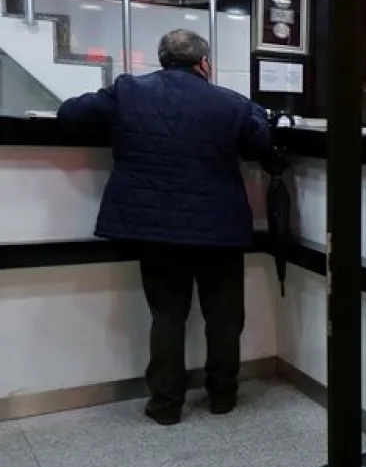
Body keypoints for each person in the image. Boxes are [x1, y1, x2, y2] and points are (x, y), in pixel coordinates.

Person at [55, 29, 281, 425]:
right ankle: (222, 396)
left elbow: (69, 115)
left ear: (162, 59)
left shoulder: (128, 90)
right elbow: (261, 145)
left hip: (156, 228)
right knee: (224, 315)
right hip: (219, 226)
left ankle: (165, 404)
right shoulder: (232, 102)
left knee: (167, 313)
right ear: (204, 63)